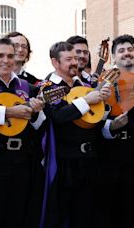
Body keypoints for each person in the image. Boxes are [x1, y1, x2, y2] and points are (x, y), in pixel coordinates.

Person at [41, 41, 112, 228]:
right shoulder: (49, 87)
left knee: (88, 213)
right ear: (55, 63)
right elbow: (58, 116)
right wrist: (86, 101)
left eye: (76, 58)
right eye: (69, 59)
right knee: (63, 213)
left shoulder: (86, 84)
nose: (75, 61)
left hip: (90, 159)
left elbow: (94, 120)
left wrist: (103, 105)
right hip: (65, 162)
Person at [0, 37, 45, 227]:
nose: (6, 60)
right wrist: (8, 112)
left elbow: (39, 126)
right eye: (0, 55)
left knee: (19, 213)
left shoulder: (26, 87)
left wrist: (36, 113)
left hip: (22, 159)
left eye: (10, 56)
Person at [94, 34, 134, 228]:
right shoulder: (104, 79)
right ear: (114, 56)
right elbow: (95, 115)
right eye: (121, 51)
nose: (127, 53)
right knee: (111, 204)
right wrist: (111, 126)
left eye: (130, 49)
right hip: (111, 149)